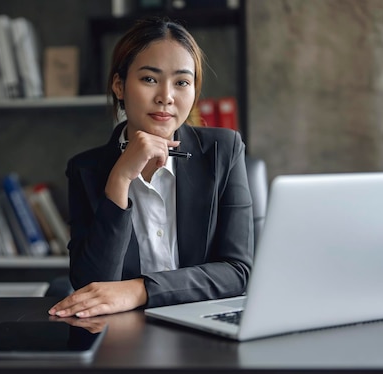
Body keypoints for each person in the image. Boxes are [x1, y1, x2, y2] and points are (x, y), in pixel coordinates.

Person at [48, 16, 254, 319]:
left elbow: (237, 272)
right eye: (149, 79)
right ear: (119, 86)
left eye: (182, 82)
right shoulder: (85, 170)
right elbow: (91, 287)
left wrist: (141, 289)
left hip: (205, 323)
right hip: (125, 333)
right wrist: (119, 178)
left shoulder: (223, 150)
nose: (166, 97)